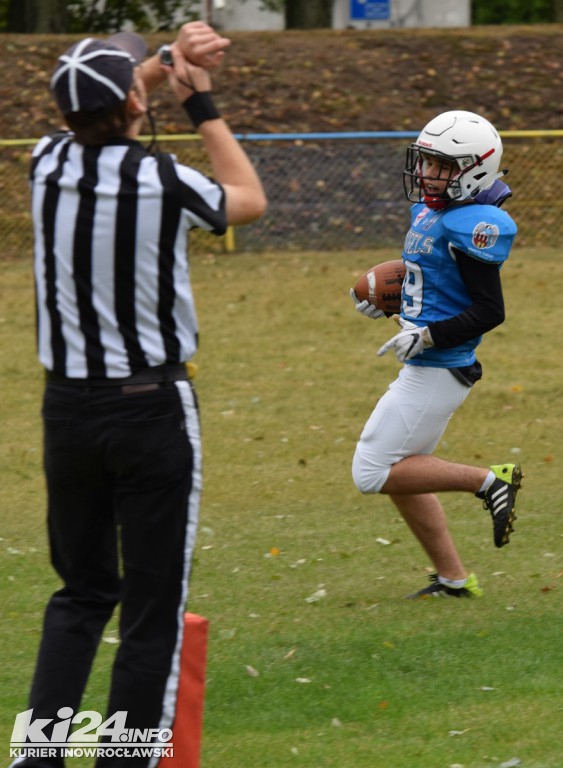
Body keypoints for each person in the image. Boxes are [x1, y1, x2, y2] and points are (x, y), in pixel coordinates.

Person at [16, 21, 266, 768]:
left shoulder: (44, 160)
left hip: (67, 411)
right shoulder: (160, 178)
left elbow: (101, 104)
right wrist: (201, 100)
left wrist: (165, 63)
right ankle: (125, 759)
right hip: (150, 408)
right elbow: (246, 199)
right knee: (151, 608)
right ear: (132, 99)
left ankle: (39, 757)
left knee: (81, 593)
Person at [350, 110, 521, 599]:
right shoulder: (432, 211)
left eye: (441, 166)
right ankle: (453, 579)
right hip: (428, 360)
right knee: (403, 469)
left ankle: (491, 481)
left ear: (475, 170)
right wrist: (390, 299)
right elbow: (431, 277)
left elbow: (490, 310)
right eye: (425, 161)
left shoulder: (478, 223)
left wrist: (427, 337)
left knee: (371, 471)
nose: (426, 173)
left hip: (440, 366)